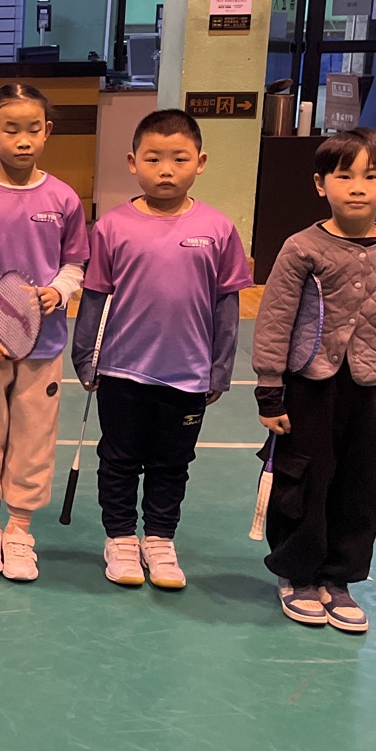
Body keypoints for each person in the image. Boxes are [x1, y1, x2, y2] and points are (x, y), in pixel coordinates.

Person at [253, 127, 376, 633]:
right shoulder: (301, 248)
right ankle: (298, 575)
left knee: (361, 483)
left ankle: (340, 578)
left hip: (375, 390)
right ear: (320, 184)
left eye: (371, 176)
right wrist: (270, 390)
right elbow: (275, 320)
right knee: (306, 480)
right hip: (310, 386)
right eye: (344, 175)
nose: (357, 187)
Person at [72, 108, 251, 590]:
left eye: (179, 159)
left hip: (188, 375)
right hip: (122, 371)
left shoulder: (218, 229)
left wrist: (220, 368)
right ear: (133, 162)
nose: (166, 170)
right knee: (119, 459)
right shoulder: (111, 227)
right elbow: (94, 297)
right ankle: (120, 538)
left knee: (173, 463)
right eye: (153, 159)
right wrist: (86, 357)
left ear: (201, 162)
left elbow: (227, 307)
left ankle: (160, 539)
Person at [0, 83, 89, 582]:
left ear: (47, 132)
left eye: (33, 129)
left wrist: (59, 290)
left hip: (42, 346)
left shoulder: (63, 198)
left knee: (33, 438)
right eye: (11, 130)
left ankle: (20, 530)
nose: (23, 140)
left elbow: (75, 263)